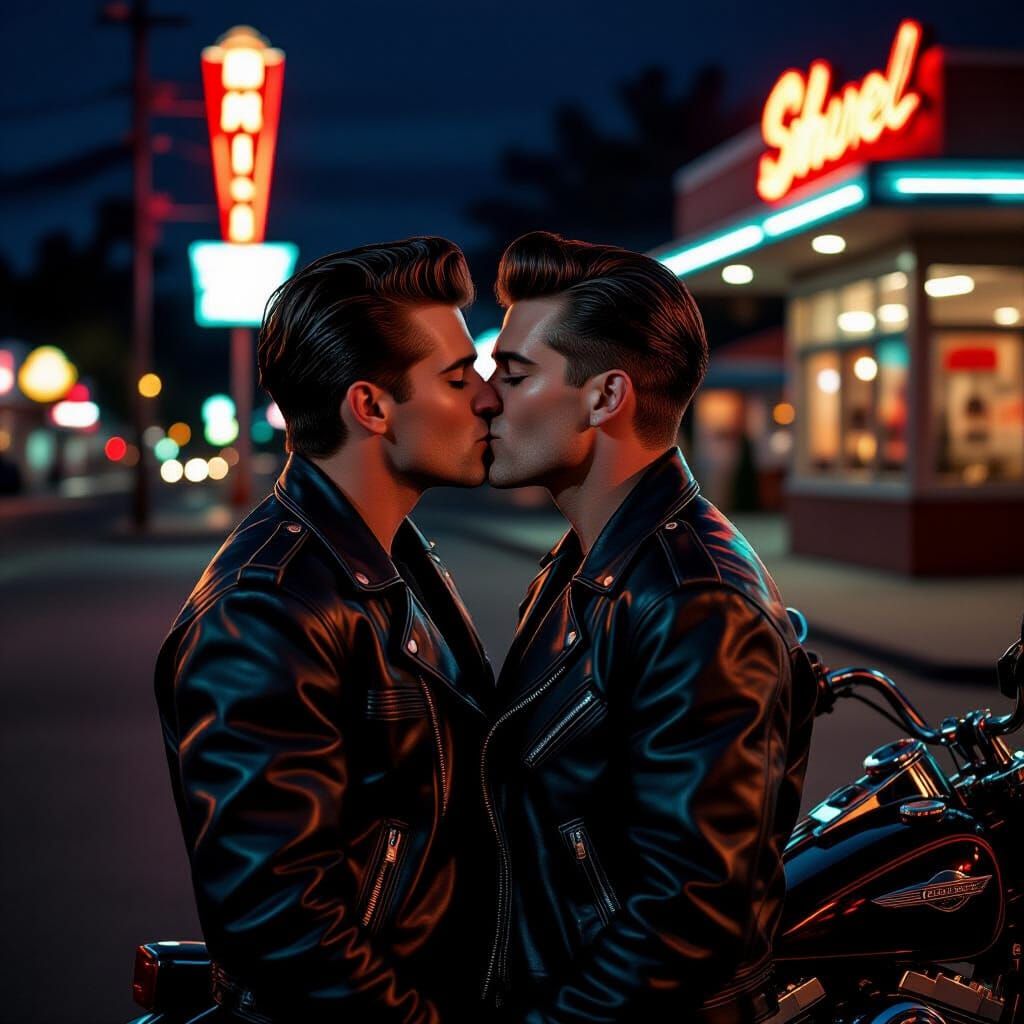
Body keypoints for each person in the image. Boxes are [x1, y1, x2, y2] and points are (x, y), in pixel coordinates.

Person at [154, 237, 499, 1024]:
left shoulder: (391, 556)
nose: (486, 398)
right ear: (371, 406)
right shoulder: (268, 606)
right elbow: (280, 924)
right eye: (457, 377)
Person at [482, 231, 817, 1023]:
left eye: (515, 372)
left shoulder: (696, 600)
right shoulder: (586, 564)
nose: (485, 397)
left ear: (605, 397)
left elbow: (690, 913)